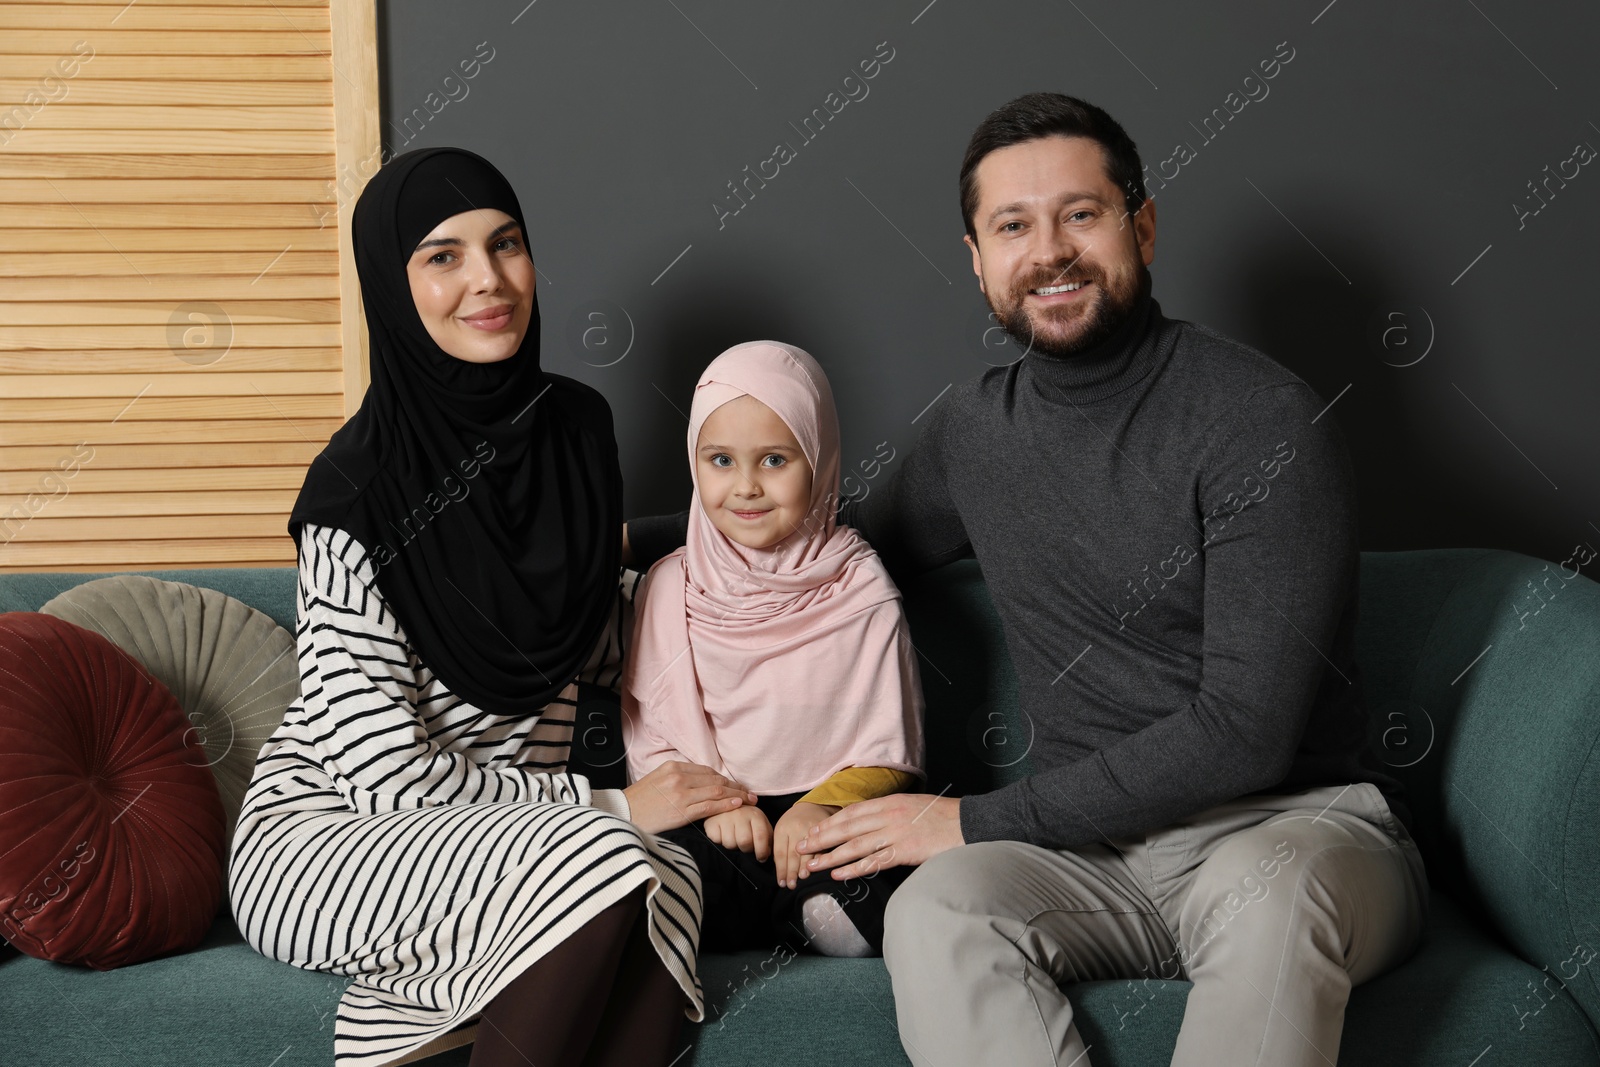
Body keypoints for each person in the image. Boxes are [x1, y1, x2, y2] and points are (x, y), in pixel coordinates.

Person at [624, 93, 1430, 1066]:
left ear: (1142, 224)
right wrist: (610, 543)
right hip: (1092, 861)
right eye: (1013, 225)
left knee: (1276, 889)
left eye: (1078, 215)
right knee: (935, 906)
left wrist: (962, 817)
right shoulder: (977, 434)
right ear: (976, 257)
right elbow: (821, 530)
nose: (1048, 250)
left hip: (1295, 832)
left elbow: (1242, 735)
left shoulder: (1260, 422)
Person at [228, 147, 759, 1067]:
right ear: (391, 288)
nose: (488, 280)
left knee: (666, 880)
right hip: (332, 836)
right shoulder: (352, 495)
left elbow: (601, 630)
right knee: (612, 859)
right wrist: (610, 804)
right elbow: (385, 781)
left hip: (519, 840)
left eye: (505, 243)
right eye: (442, 256)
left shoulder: (578, 435)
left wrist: (776, 548)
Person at [622, 341, 925, 959]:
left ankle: (802, 911)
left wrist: (818, 809)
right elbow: (649, 732)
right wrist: (720, 809)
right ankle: (742, 912)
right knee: (654, 879)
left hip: (831, 808)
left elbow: (893, 747)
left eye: (775, 460)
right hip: (714, 810)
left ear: (820, 460)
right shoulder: (670, 585)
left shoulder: (859, 585)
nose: (747, 487)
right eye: (722, 460)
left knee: (866, 891)